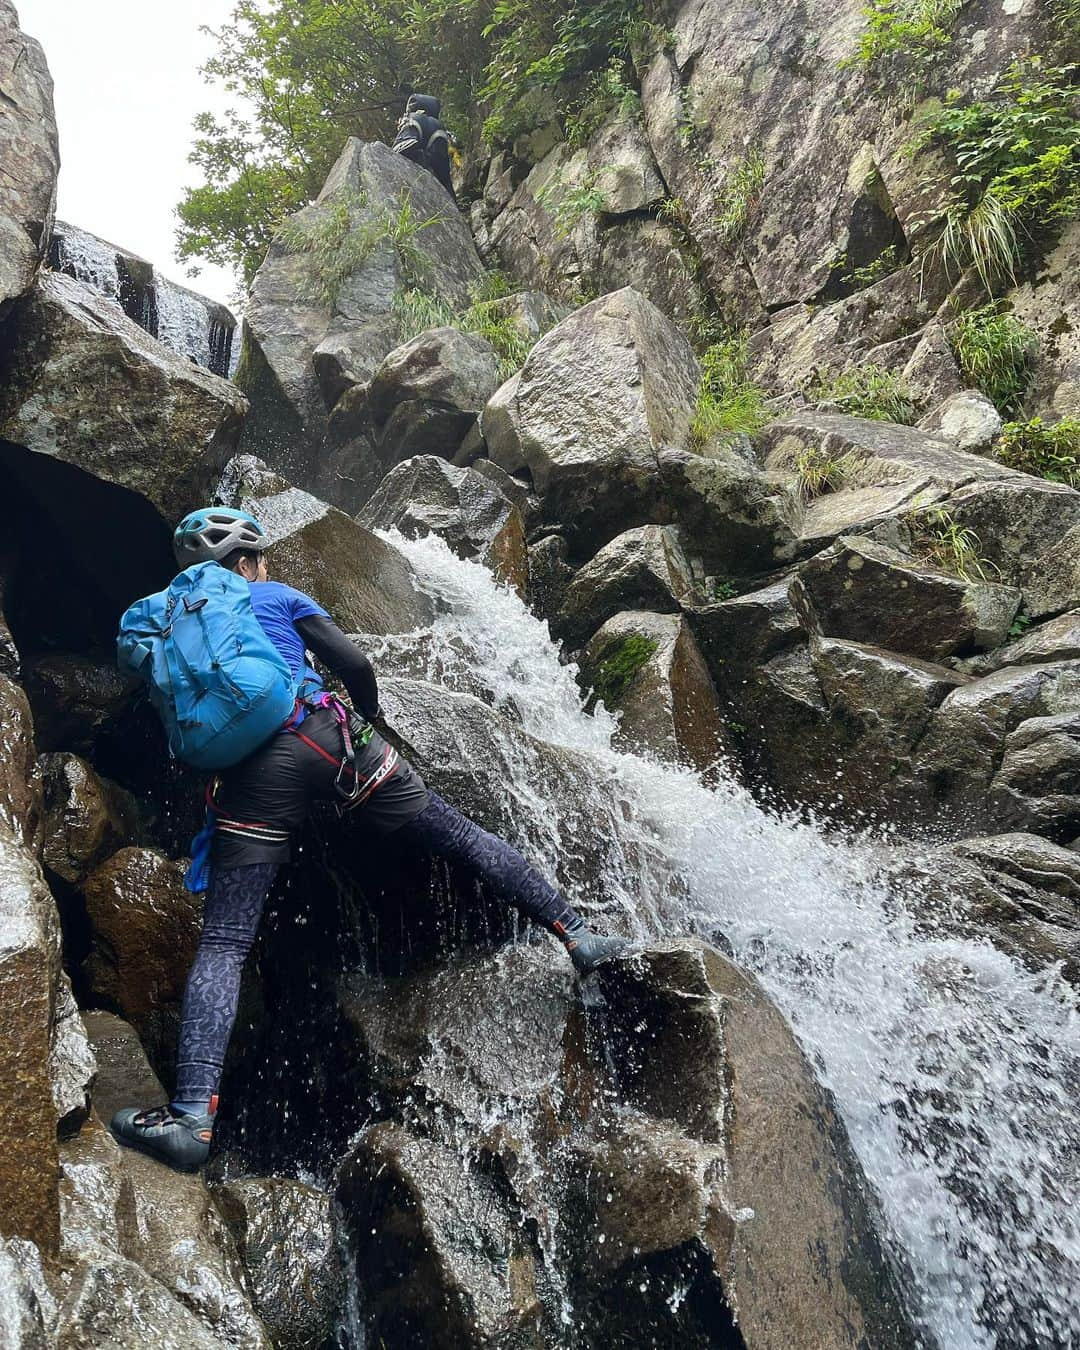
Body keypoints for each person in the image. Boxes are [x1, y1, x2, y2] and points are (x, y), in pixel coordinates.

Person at [110, 508, 628, 1172]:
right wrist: (367, 718)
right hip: (328, 741)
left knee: (225, 943)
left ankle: (191, 1120)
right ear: (249, 563)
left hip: (249, 781)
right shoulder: (273, 595)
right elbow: (352, 660)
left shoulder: (177, 628)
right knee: (459, 835)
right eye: (260, 560)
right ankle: (577, 934)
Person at [391, 92, 456, 202]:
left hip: (414, 125)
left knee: (401, 150)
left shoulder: (410, 116)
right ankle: (452, 203)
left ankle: (419, 157)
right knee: (444, 177)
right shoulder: (436, 121)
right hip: (439, 131)